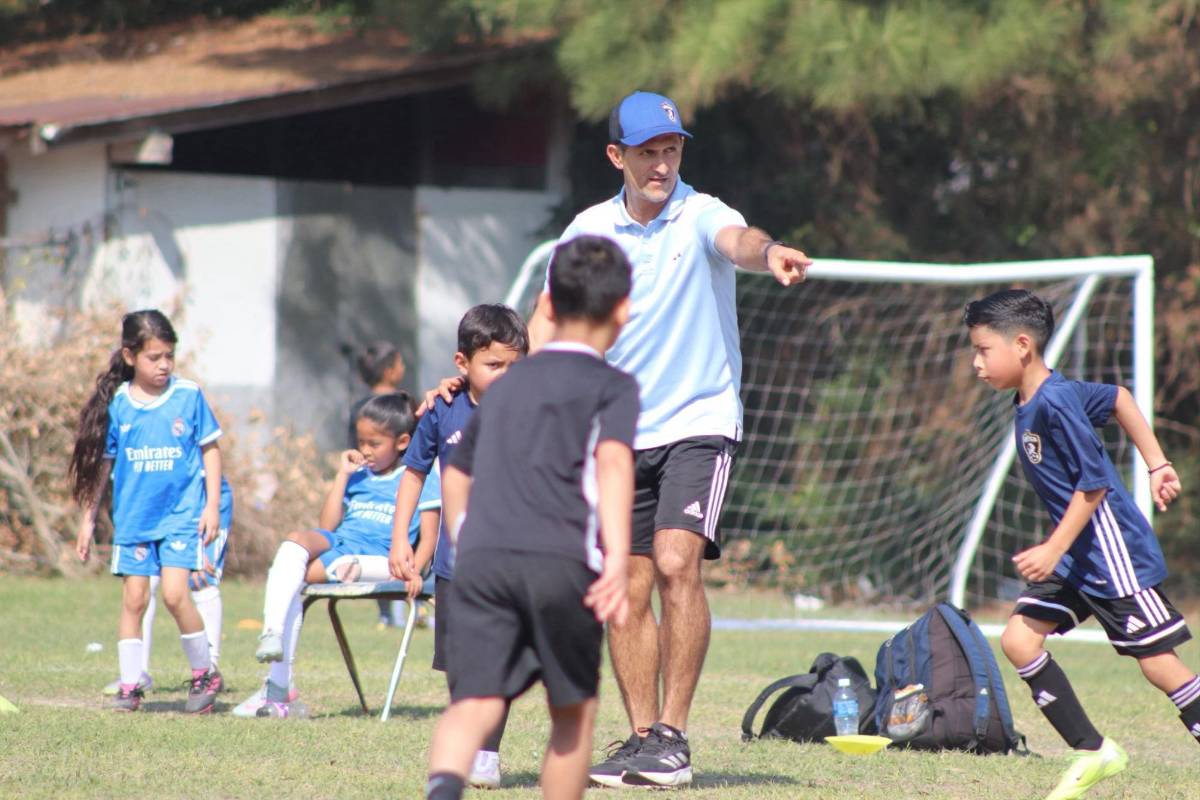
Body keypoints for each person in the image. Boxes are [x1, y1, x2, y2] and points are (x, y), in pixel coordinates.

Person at [528, 90, 811, 787]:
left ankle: (674, 737)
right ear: (616, 156)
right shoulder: (589, 229)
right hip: (617, 432)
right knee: (626, 584)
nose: (662, 164)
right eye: (648, 152)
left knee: (678, 563)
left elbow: (738, 242)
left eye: (672, 149)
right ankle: (641, 739)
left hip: (699, 422)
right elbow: (548, 315)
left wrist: (771, 251)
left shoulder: (701, 212)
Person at [424, 234, 638, 800]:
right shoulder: (613, 387)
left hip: (483, 561)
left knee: (472, 703)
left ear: (546, 305)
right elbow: (614, 465)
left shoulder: (503, 385)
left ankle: (442, 789)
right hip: (561, 562)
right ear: (623, 311)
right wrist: (618, 557)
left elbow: (456, 473)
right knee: (571, 714)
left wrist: (464, 538)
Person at [964, 289, 1199, 800]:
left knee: (1159, 665)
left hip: (1113, 553)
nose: (975, 362)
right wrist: (1158, 463)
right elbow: (1118, 397)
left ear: (1021, 345)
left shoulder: (1055, 402)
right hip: (1078, 554)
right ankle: (1094, 752)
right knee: (1019, 640)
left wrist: (1052, 549)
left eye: (983, 350)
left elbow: (1093, 486)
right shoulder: (1043, 395)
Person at [236, 393, 441, 719]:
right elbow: (327, 526)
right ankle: (271, 634)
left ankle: (278, 688)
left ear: (402, 442)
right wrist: (343, 475)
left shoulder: (420, 478)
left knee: (300, 578)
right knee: (295, 541)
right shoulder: (358, 476)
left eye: (374, 443)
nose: (365, 450)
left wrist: (416, 569)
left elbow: (430, 535)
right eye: (361, 442)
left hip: (381, 559)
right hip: (342, 543)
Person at [390, 304, 527, 787]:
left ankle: (485, 754)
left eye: (515, 365)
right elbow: (413, 473)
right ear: (462, 363)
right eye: (494, 365)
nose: (506, 375)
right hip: (455, 567)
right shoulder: (442, 409)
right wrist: (399, 537)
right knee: (460, 665)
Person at [71, 309, 226, 714]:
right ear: (130, 356)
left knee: (175, 595)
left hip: (180, 516)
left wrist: (211, 506)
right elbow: (102, 468)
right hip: (135, 520)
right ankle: (129, 685)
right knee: (134, 599)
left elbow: (210, 450)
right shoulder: (119, 405)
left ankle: (204, 674)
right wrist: (88, 520)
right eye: (154, 357)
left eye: (169, 356)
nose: (164, 365)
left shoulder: (188, 396)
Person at [100, 483, 232, 696]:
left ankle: (210, 669)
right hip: (164, 504)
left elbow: (210, 465)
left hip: (201, 503)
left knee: (201, 580)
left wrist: (208, 516)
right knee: (144, 584)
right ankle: (137, 673)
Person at [346, 340, 410, 627]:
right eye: (400, 363)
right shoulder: (404, 405)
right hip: (398, 489)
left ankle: (388, 613)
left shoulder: (358, 407)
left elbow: (352, 449)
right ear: (389, 370)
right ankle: (399, 611)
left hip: (366, 488)